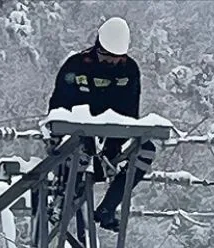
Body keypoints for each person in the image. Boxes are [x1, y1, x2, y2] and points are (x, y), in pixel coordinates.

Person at [47, 17, 157, 232]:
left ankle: (108, 206)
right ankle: (67, 198)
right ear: (97, 48)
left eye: (118, 58)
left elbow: (129, 113)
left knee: (145, 151)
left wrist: (114, 146)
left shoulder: (129, 70)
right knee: (78, 153)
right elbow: (58, 108)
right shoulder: (76, 67)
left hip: (112, 137)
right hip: (76, 138)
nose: (112, 63)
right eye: (107, 56)